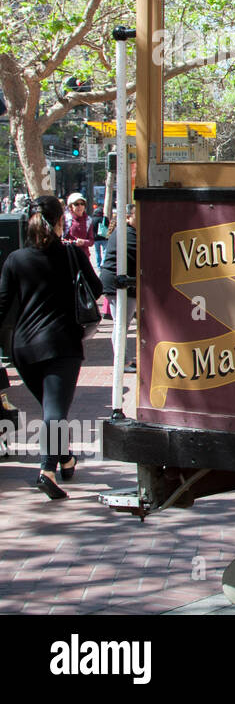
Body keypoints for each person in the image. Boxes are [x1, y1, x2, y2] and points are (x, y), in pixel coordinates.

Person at [0, 195, 103, 499]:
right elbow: (96, 290)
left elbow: (2, 306)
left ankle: (67, 458)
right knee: (54, 412)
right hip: (61, 345)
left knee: (51, 411)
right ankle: (47, 469)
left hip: (24, 350)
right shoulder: (72, 255)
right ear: (61, 221)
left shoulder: (15, 260)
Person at [99, 205, 137, 374]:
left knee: (122, 323)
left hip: (119, 284)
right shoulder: (127, 234)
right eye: (139, 214)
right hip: (119, 286)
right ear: (128, 217)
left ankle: (124, 360)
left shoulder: (127, 232)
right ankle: (123, 362)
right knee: (121, 324)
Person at [63, 192, 93, 263]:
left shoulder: (88, 220)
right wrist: (72, 242)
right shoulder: (65, 219)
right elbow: (61, 239)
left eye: (82, 204)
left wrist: (83, 242)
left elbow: (91, 241)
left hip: (84, 257)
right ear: (71, 207)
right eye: (76, 204)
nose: (80, 206)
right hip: (69, 257)